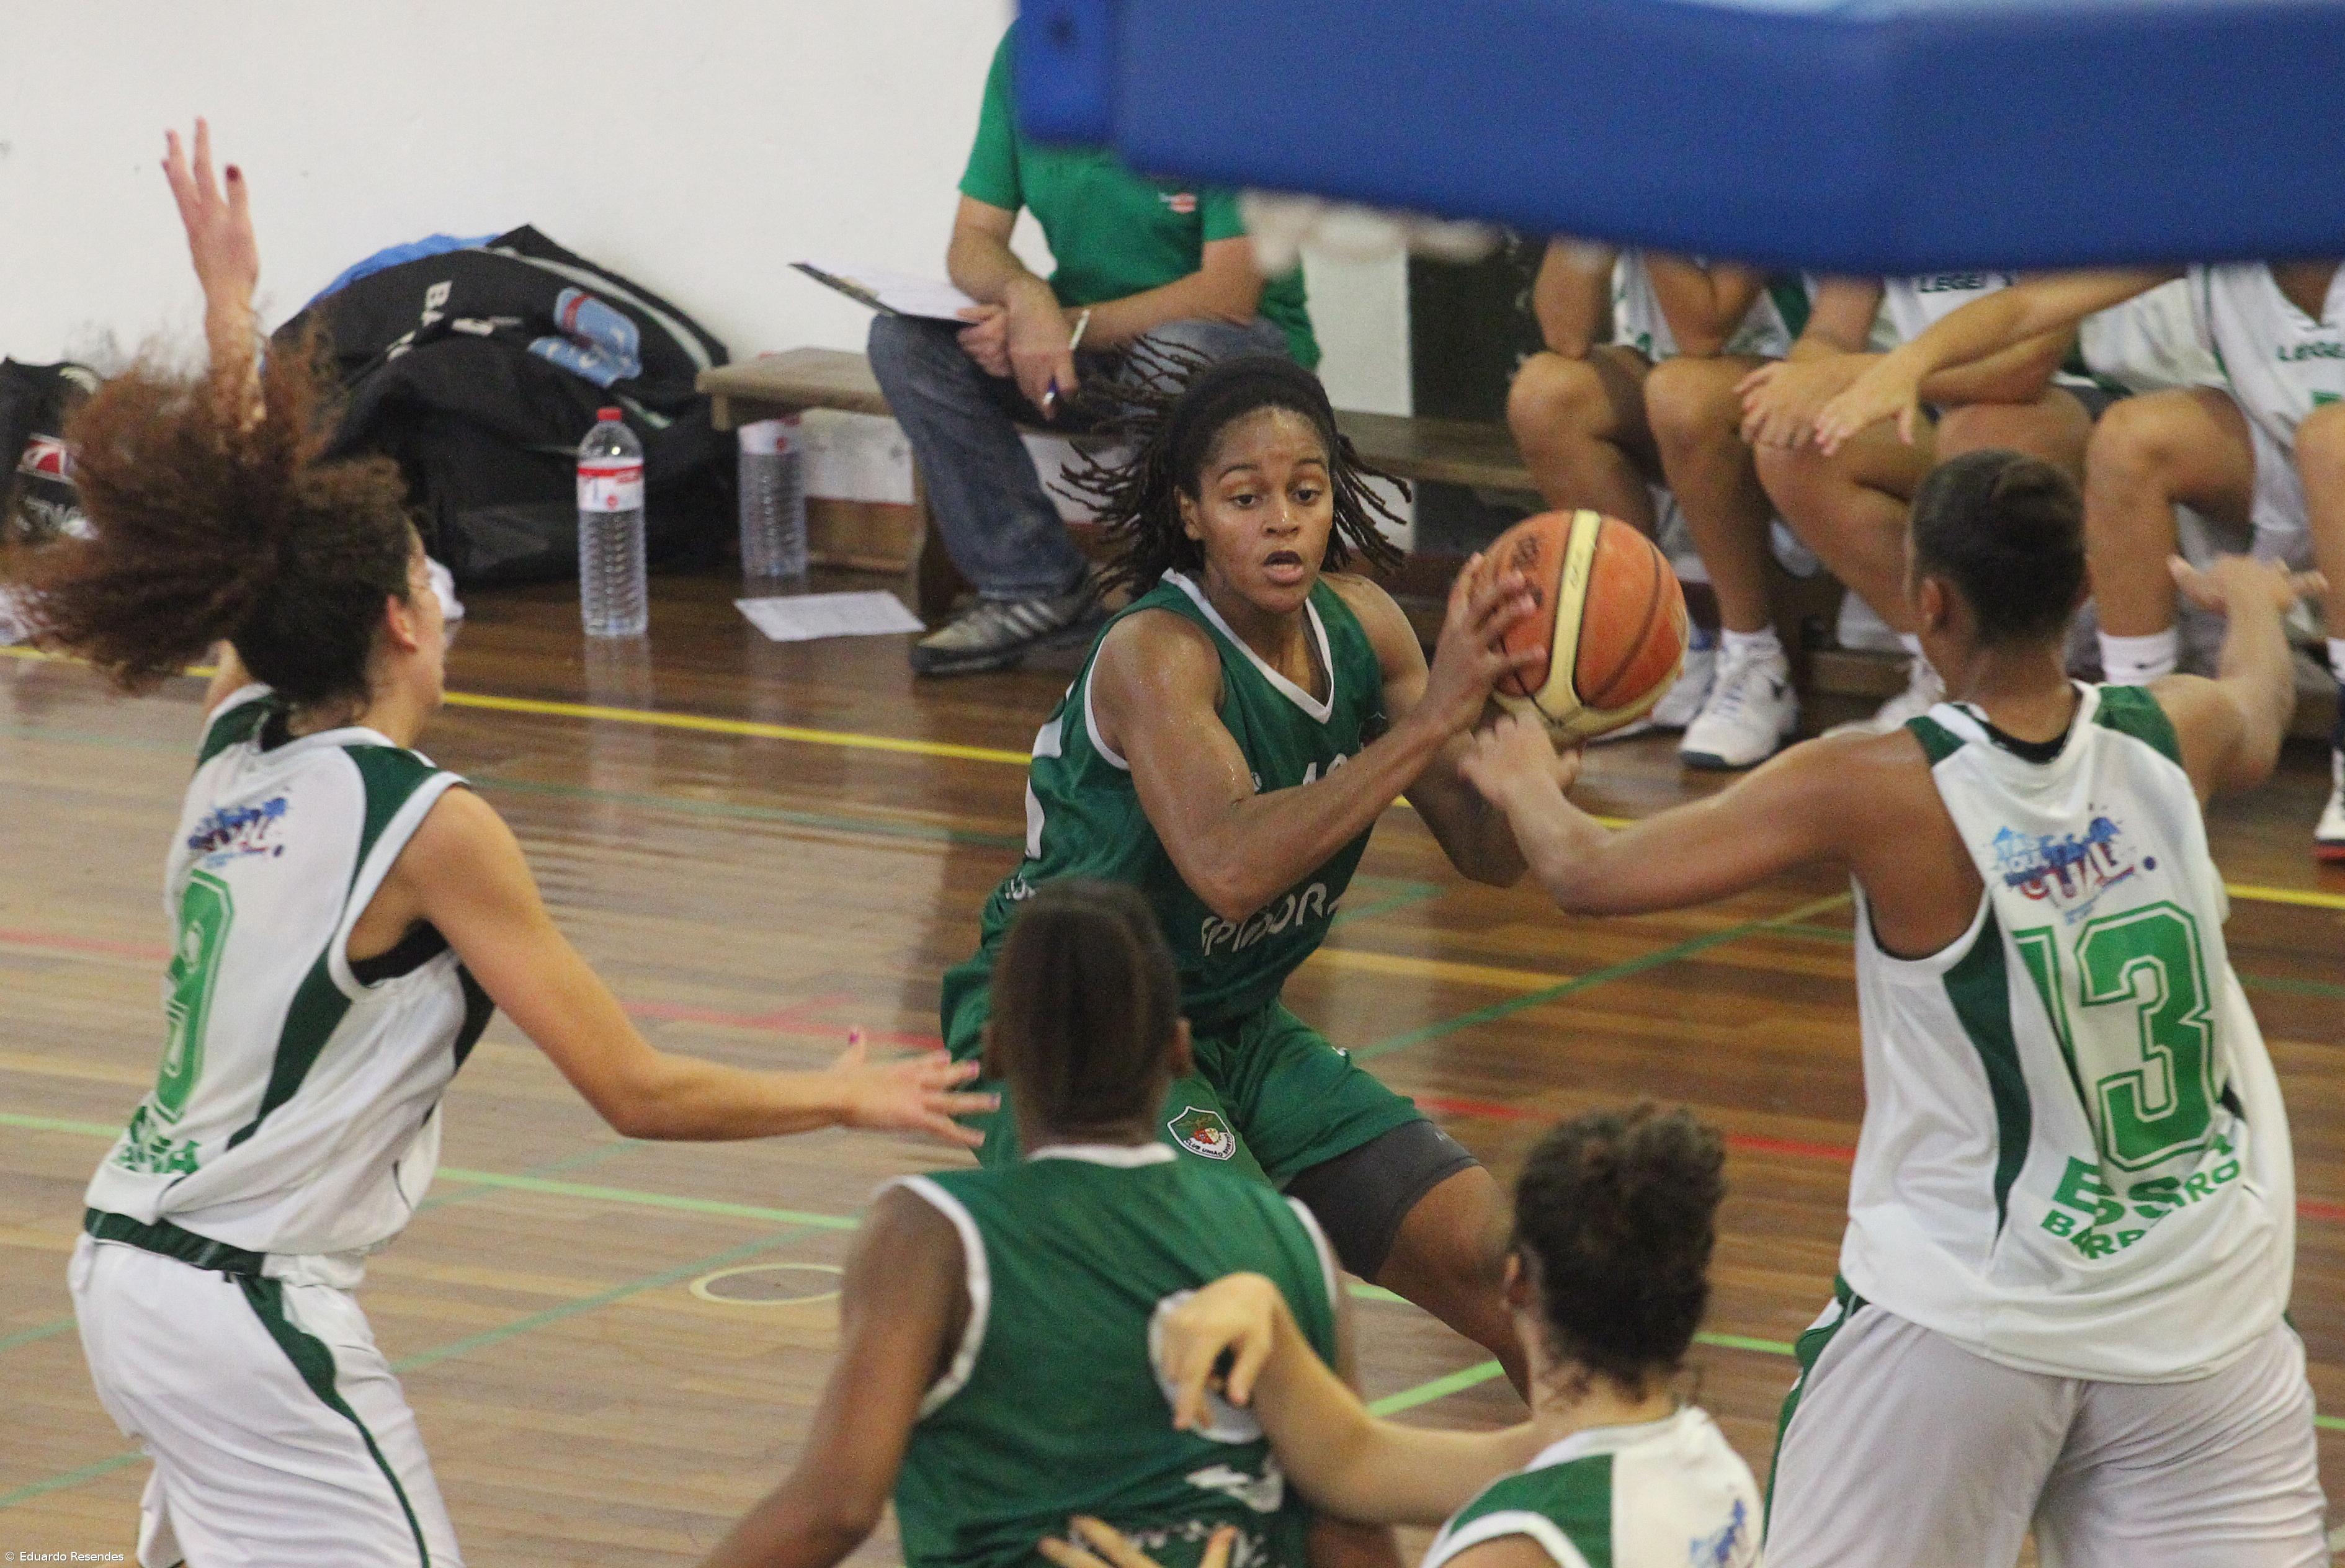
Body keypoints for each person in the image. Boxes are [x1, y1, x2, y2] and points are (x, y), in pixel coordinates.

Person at [30, 124, 992, 1568]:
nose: (448, 581)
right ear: (403, 624)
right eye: (428, 566)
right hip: (241, 1301)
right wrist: (837, 1099)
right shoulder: (431, 826)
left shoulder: (239, 741)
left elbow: (255, 547)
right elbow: (635, 1089)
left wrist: (235, 315)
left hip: (126, 1267)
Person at [1458, 449, 2328, 1565]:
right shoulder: (2180, 729)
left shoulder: (1877, 783)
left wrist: (1524, 773)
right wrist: (2254, 602)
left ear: (1929, 601)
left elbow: (1587, 875)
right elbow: (2264, 699)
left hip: (1970, 1323)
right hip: (2206, 1318)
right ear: (2079, 591)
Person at [939, 351, 1553, 1388]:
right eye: (1246, 497)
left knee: (1527, 1284)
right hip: (1075, 1033)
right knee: (1268, 1322)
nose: (1283, 520)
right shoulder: (1158, 652)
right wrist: (1431, 723)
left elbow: (1488, 857)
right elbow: (1228, 865)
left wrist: (1540, 732)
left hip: (1234, 1024)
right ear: (1190, 513)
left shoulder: (1364, 624)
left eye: (1305, 493)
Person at [702, 881, 1384, 1568]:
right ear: (1179, 1050)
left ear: (995, 1051)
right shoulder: (1293, 1236)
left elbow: (834, 1510)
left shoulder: (930, 1235)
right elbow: (1353, 1532)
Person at [1045, 1105, 1759, 1568]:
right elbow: (1358, 1461)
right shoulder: (1706, 1466)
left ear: (1515, 1282)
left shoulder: (1522, 1544)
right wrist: (1269, 1310)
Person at [1811, 262, 2345, 860]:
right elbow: (2027, 307)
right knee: (2132, 435)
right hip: (2281, 454)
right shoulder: (2226, 224)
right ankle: (2137, 733)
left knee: (2332, 440)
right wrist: (1908, 363)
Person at [870, 21, 1317, 677]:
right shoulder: (1028, 57)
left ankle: (1166, 603)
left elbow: (1229, 292)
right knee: (907, 340)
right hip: (1093, 349)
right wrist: (1024, 296)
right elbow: (973, 239)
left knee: (1172, 352)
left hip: (1237, 353)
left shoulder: (1227, 66)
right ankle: (1035, 585)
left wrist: (1062, 324)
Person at [1735, 274, 2090, 734]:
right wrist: (1805, 378)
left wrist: (1854, 373)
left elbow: (2025, 368)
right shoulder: (1886, 205)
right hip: (1930, 396)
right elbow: (1831, 333)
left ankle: (2025, 678)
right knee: (1795, 447)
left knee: (1980, 438)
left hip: (2064, 402)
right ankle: (1944, 670)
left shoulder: (2045, 201)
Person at [1504, 242, 1804, 750]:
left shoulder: (1768, 161)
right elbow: (1566, 333)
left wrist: (1647, 187)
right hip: (1679, 386)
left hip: (1799, 388)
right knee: (1544, 396)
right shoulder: (1638, 164)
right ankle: (1667, 651)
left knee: (1683, 394)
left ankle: (1756, 660)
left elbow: (1703, 332)